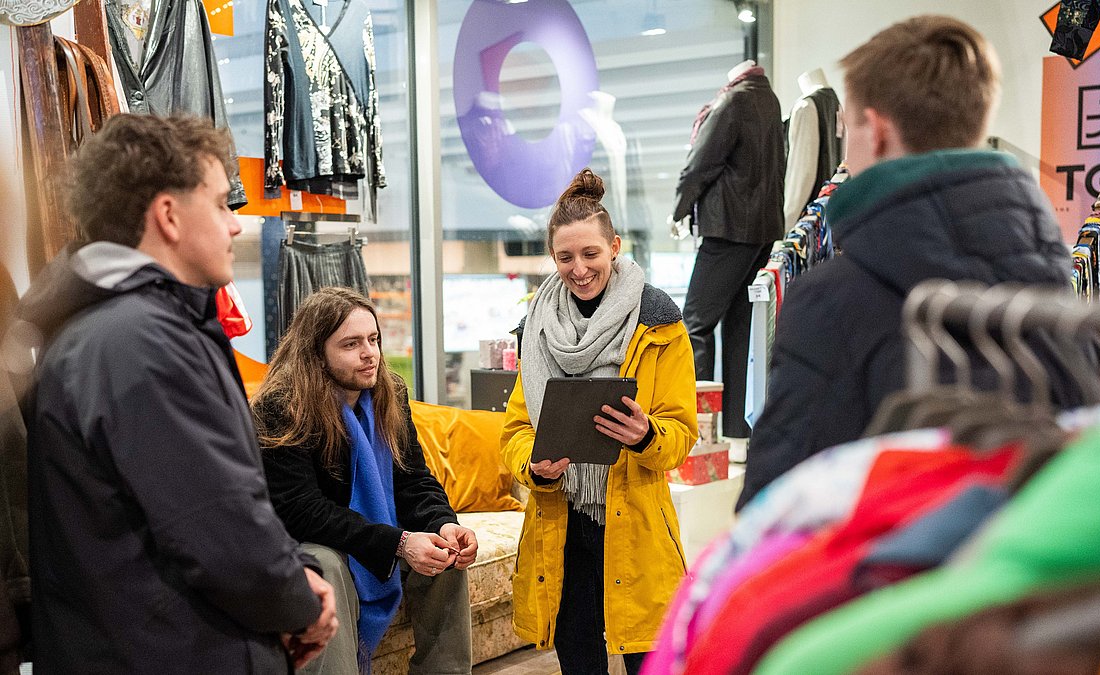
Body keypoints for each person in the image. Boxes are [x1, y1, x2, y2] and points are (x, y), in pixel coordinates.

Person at [16, 114, 336, 672]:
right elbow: (215, 525)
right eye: (219, 204)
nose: (235, 225)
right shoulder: (138, 342)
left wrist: (296, 572)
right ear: (168, 215)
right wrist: (300, 601)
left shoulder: (121, 330)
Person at [738, 16, 1092, 510]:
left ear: (877, 132)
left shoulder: (834, 299)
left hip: (883, 579)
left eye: (848, 132)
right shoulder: (1056, 290)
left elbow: (773, 512)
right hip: (1035, 581)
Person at [501, 168, 699, 675]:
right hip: (563, 524)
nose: (579, 268)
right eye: (565, 257)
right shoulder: (535, 330)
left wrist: (645, 435)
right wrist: (534, 466)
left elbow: (680, 433)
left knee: (648, 662)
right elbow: (516, 433)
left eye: (590, 253)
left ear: (613, 246)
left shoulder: (658, 323)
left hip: (634, 523)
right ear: (553, 258)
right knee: (579, 663)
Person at [253, 287, 478, 674]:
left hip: (371, 535)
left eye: (373, 339)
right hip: (304, 541)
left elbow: (413, 480)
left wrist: (444, 523)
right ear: (317, 353)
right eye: (351, 344)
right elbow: (300, 512)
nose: (369, 353)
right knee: (327, 564)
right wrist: (399, 543)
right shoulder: (283, 406)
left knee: (445, 556)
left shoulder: (390, 394)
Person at [672, 58, 786, 442]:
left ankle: (698, 434)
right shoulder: (769, 101)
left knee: (695, 325)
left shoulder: (733, 103)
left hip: (728, 230)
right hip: (760, 233)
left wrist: (678, 210)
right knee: (738, 331)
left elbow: (699, 165)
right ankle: (736, 433)